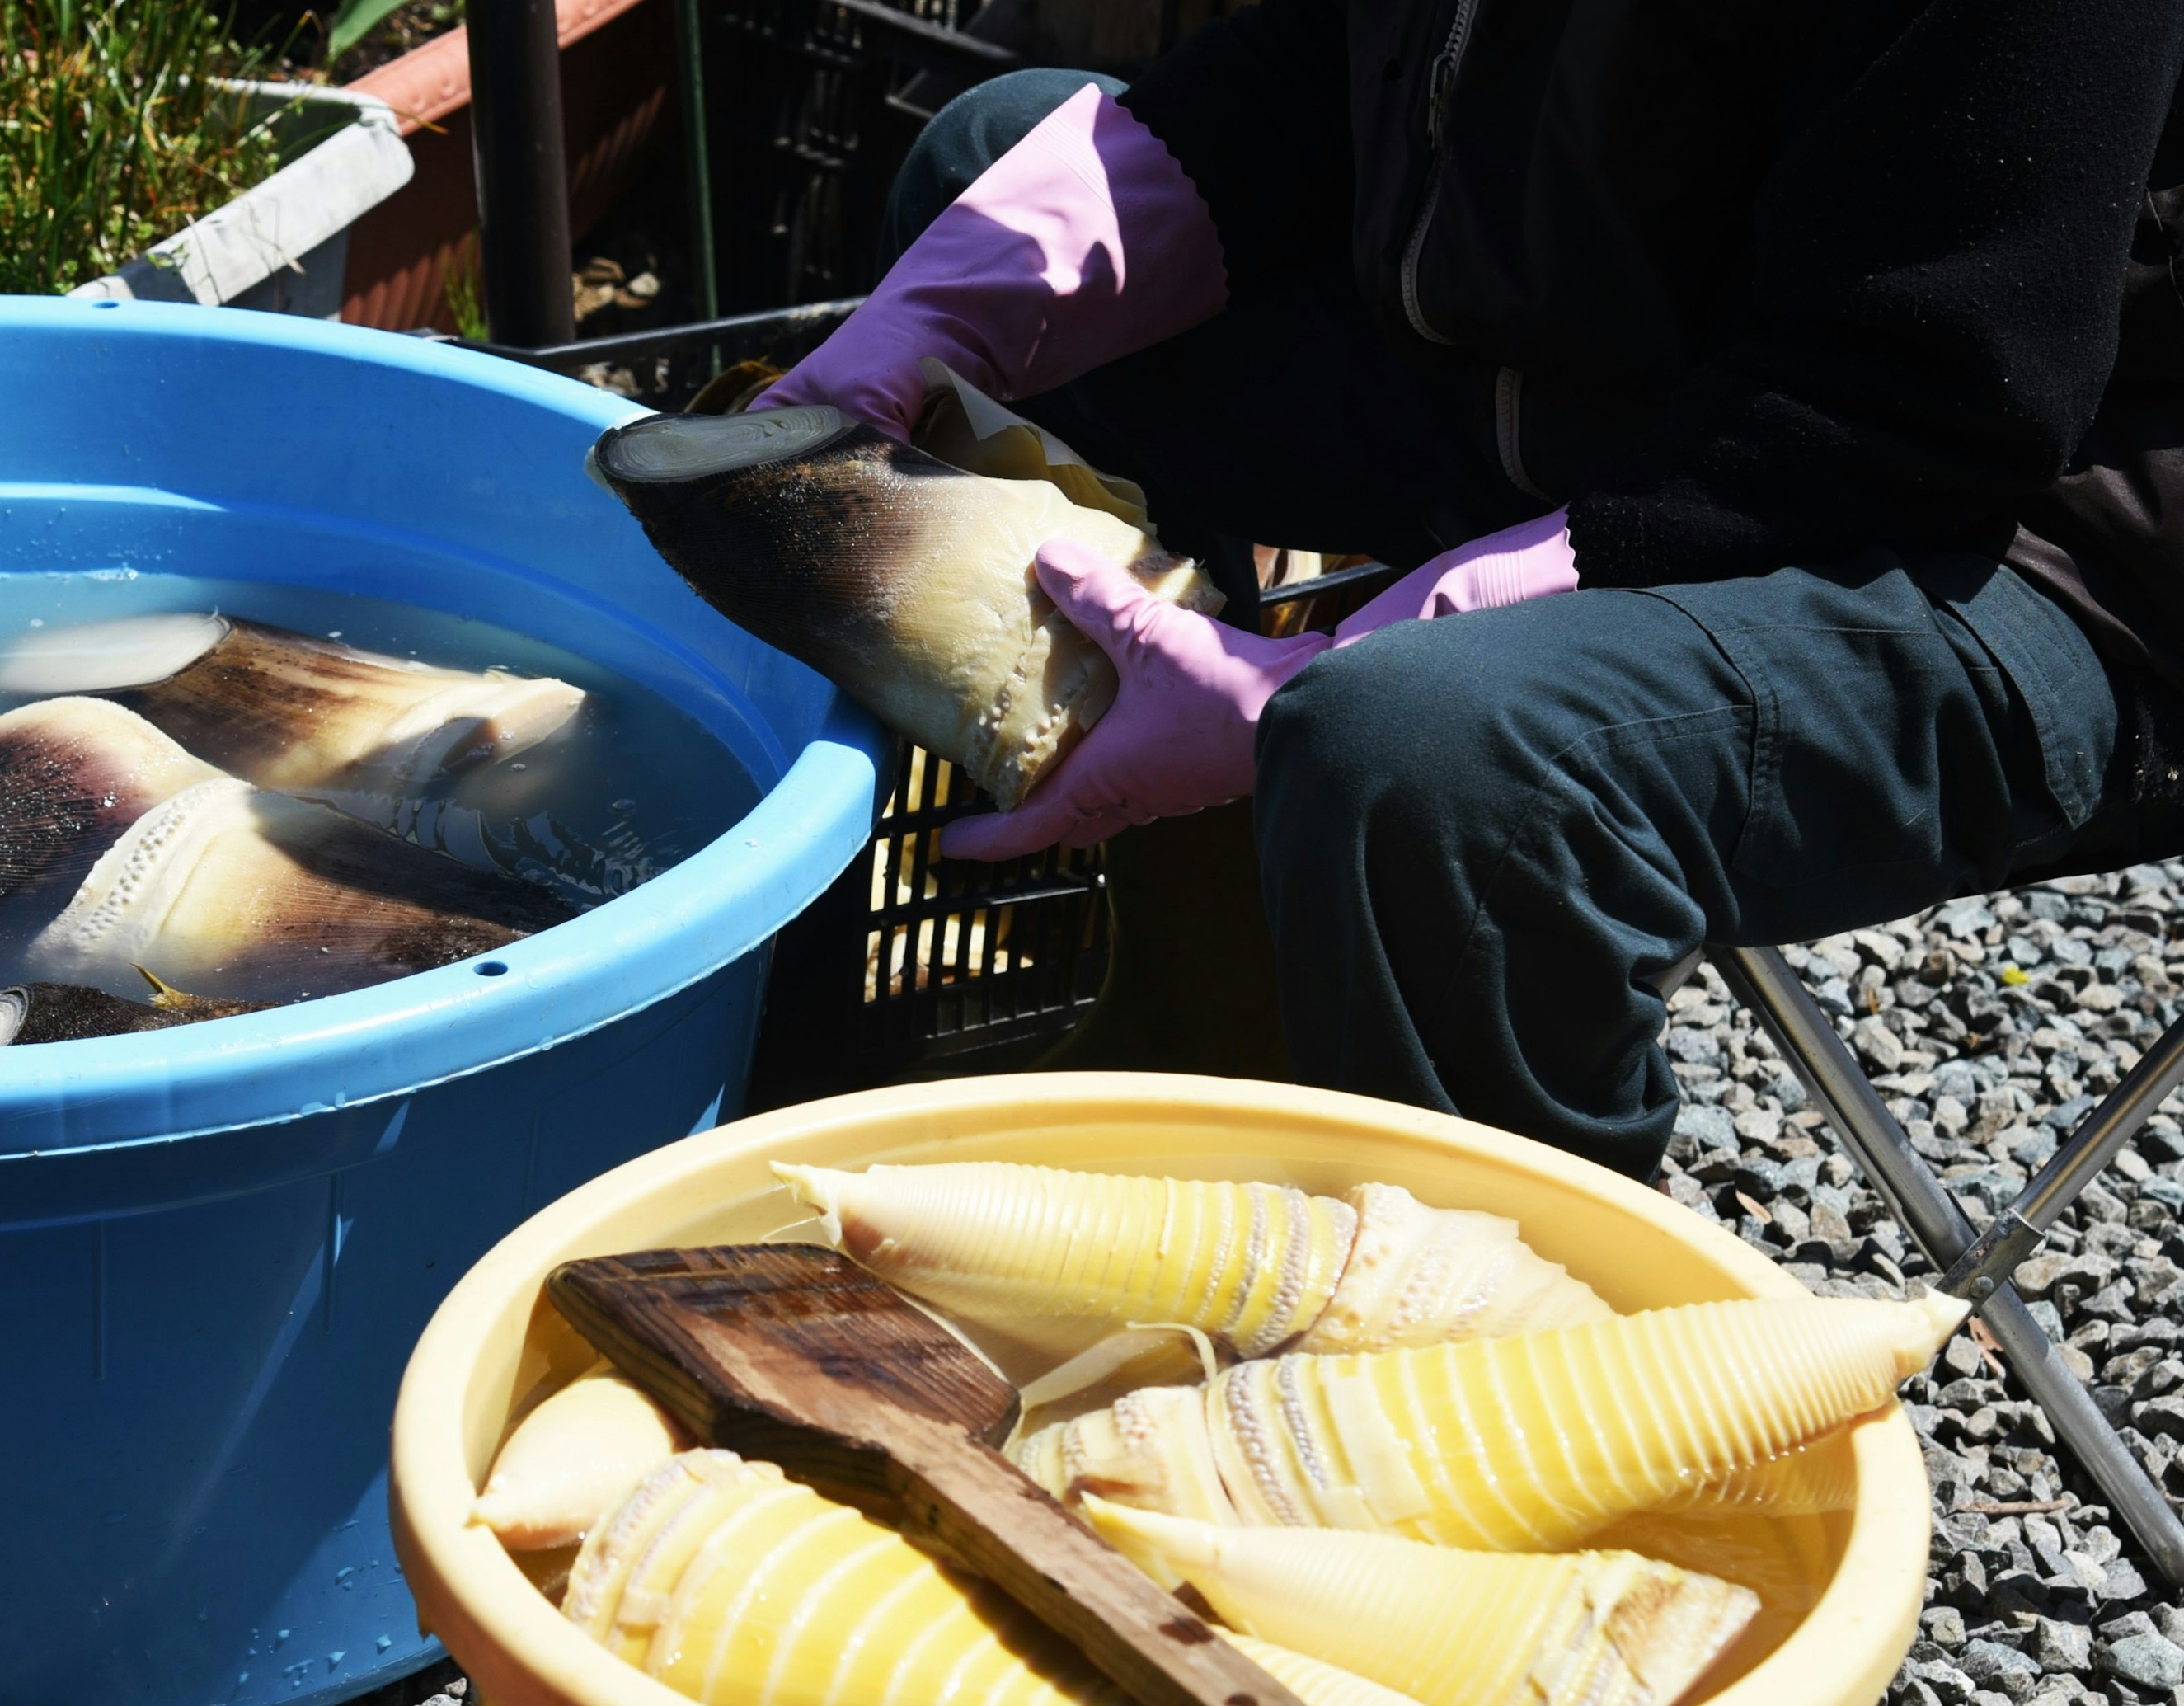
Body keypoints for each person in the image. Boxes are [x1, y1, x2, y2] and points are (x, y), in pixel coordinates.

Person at [754, 2, 2184, 1181]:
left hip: (2021, 527)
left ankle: (1482, 1394)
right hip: (1622, 364)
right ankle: (1203, 1027)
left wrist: (1328, 676)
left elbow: (1922, 399)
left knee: (1427, 751)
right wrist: (945, 311)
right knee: (994, 169)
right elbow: (1320, 75)